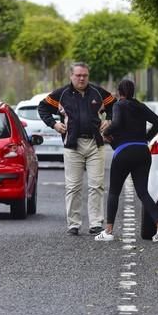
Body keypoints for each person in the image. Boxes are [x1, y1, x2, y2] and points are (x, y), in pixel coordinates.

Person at [38, 62, 116, 235]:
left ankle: (96, 223)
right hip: (72, 145)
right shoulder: (61, 94)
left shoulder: (98, 92)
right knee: (73, 186)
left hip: (96, 144)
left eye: (85, 75)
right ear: (71, 76)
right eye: (78, 75)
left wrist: (109, 120)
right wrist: (54, 124)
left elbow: (114, 104)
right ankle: (73, 224)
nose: (82, 78)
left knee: (96, 185)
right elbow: (42, 107)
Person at [94, 79, 158, 242]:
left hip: (124, 152)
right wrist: (146, 137)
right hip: (142, 151)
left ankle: (108, 231)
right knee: (143, 192)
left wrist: (105, 131)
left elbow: (118, 123)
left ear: (119, 92)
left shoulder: (119, 105)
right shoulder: (140, 106)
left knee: (114, 192)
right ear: (133, 91)